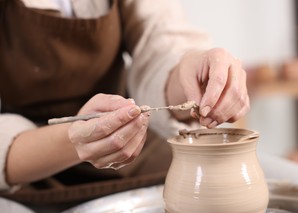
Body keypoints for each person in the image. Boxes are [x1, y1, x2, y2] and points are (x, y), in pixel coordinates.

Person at [0, 0, 249, 196]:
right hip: (25, 168)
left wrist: (191, 74)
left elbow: (160, 43)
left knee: (266, 180)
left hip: (127, 142)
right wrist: (75, 140)